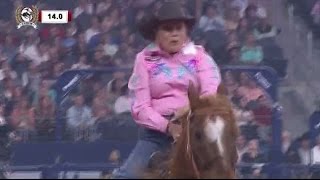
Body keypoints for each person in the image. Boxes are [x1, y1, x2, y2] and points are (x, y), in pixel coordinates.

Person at [111, 2, 221, 178]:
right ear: (157, 34)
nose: (175, 33)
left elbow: (210, 89)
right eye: (168, 29)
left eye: (179, 28)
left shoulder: (200, 56)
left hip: (195, 128)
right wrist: (168, 127)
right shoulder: (144, 59)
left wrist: (191, 112)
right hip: (156, 135)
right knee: (126, 176)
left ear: (186, 32)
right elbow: (140, 107)